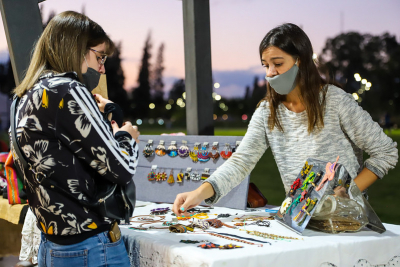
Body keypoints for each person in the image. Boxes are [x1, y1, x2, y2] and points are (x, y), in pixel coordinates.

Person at [172, 23, 398, 215]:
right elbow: (241, 162)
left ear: (300, 61)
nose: (270, 73)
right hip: (299, 220)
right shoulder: (266, 112)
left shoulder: (335, 101)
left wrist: (346, 194)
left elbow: (386, 153)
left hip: (346, 221)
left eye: (278, 64)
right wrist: (199, 193)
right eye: (266, 65)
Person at [10, 11, 139, 267]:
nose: (102, 69)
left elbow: (64, 162)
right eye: (100, 57)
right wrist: (127, 136)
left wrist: (101, 117)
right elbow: (122, 168)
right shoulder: (68, 89)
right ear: (77, 49)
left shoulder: (24, 96)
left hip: (53, 246)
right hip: (90, 248)